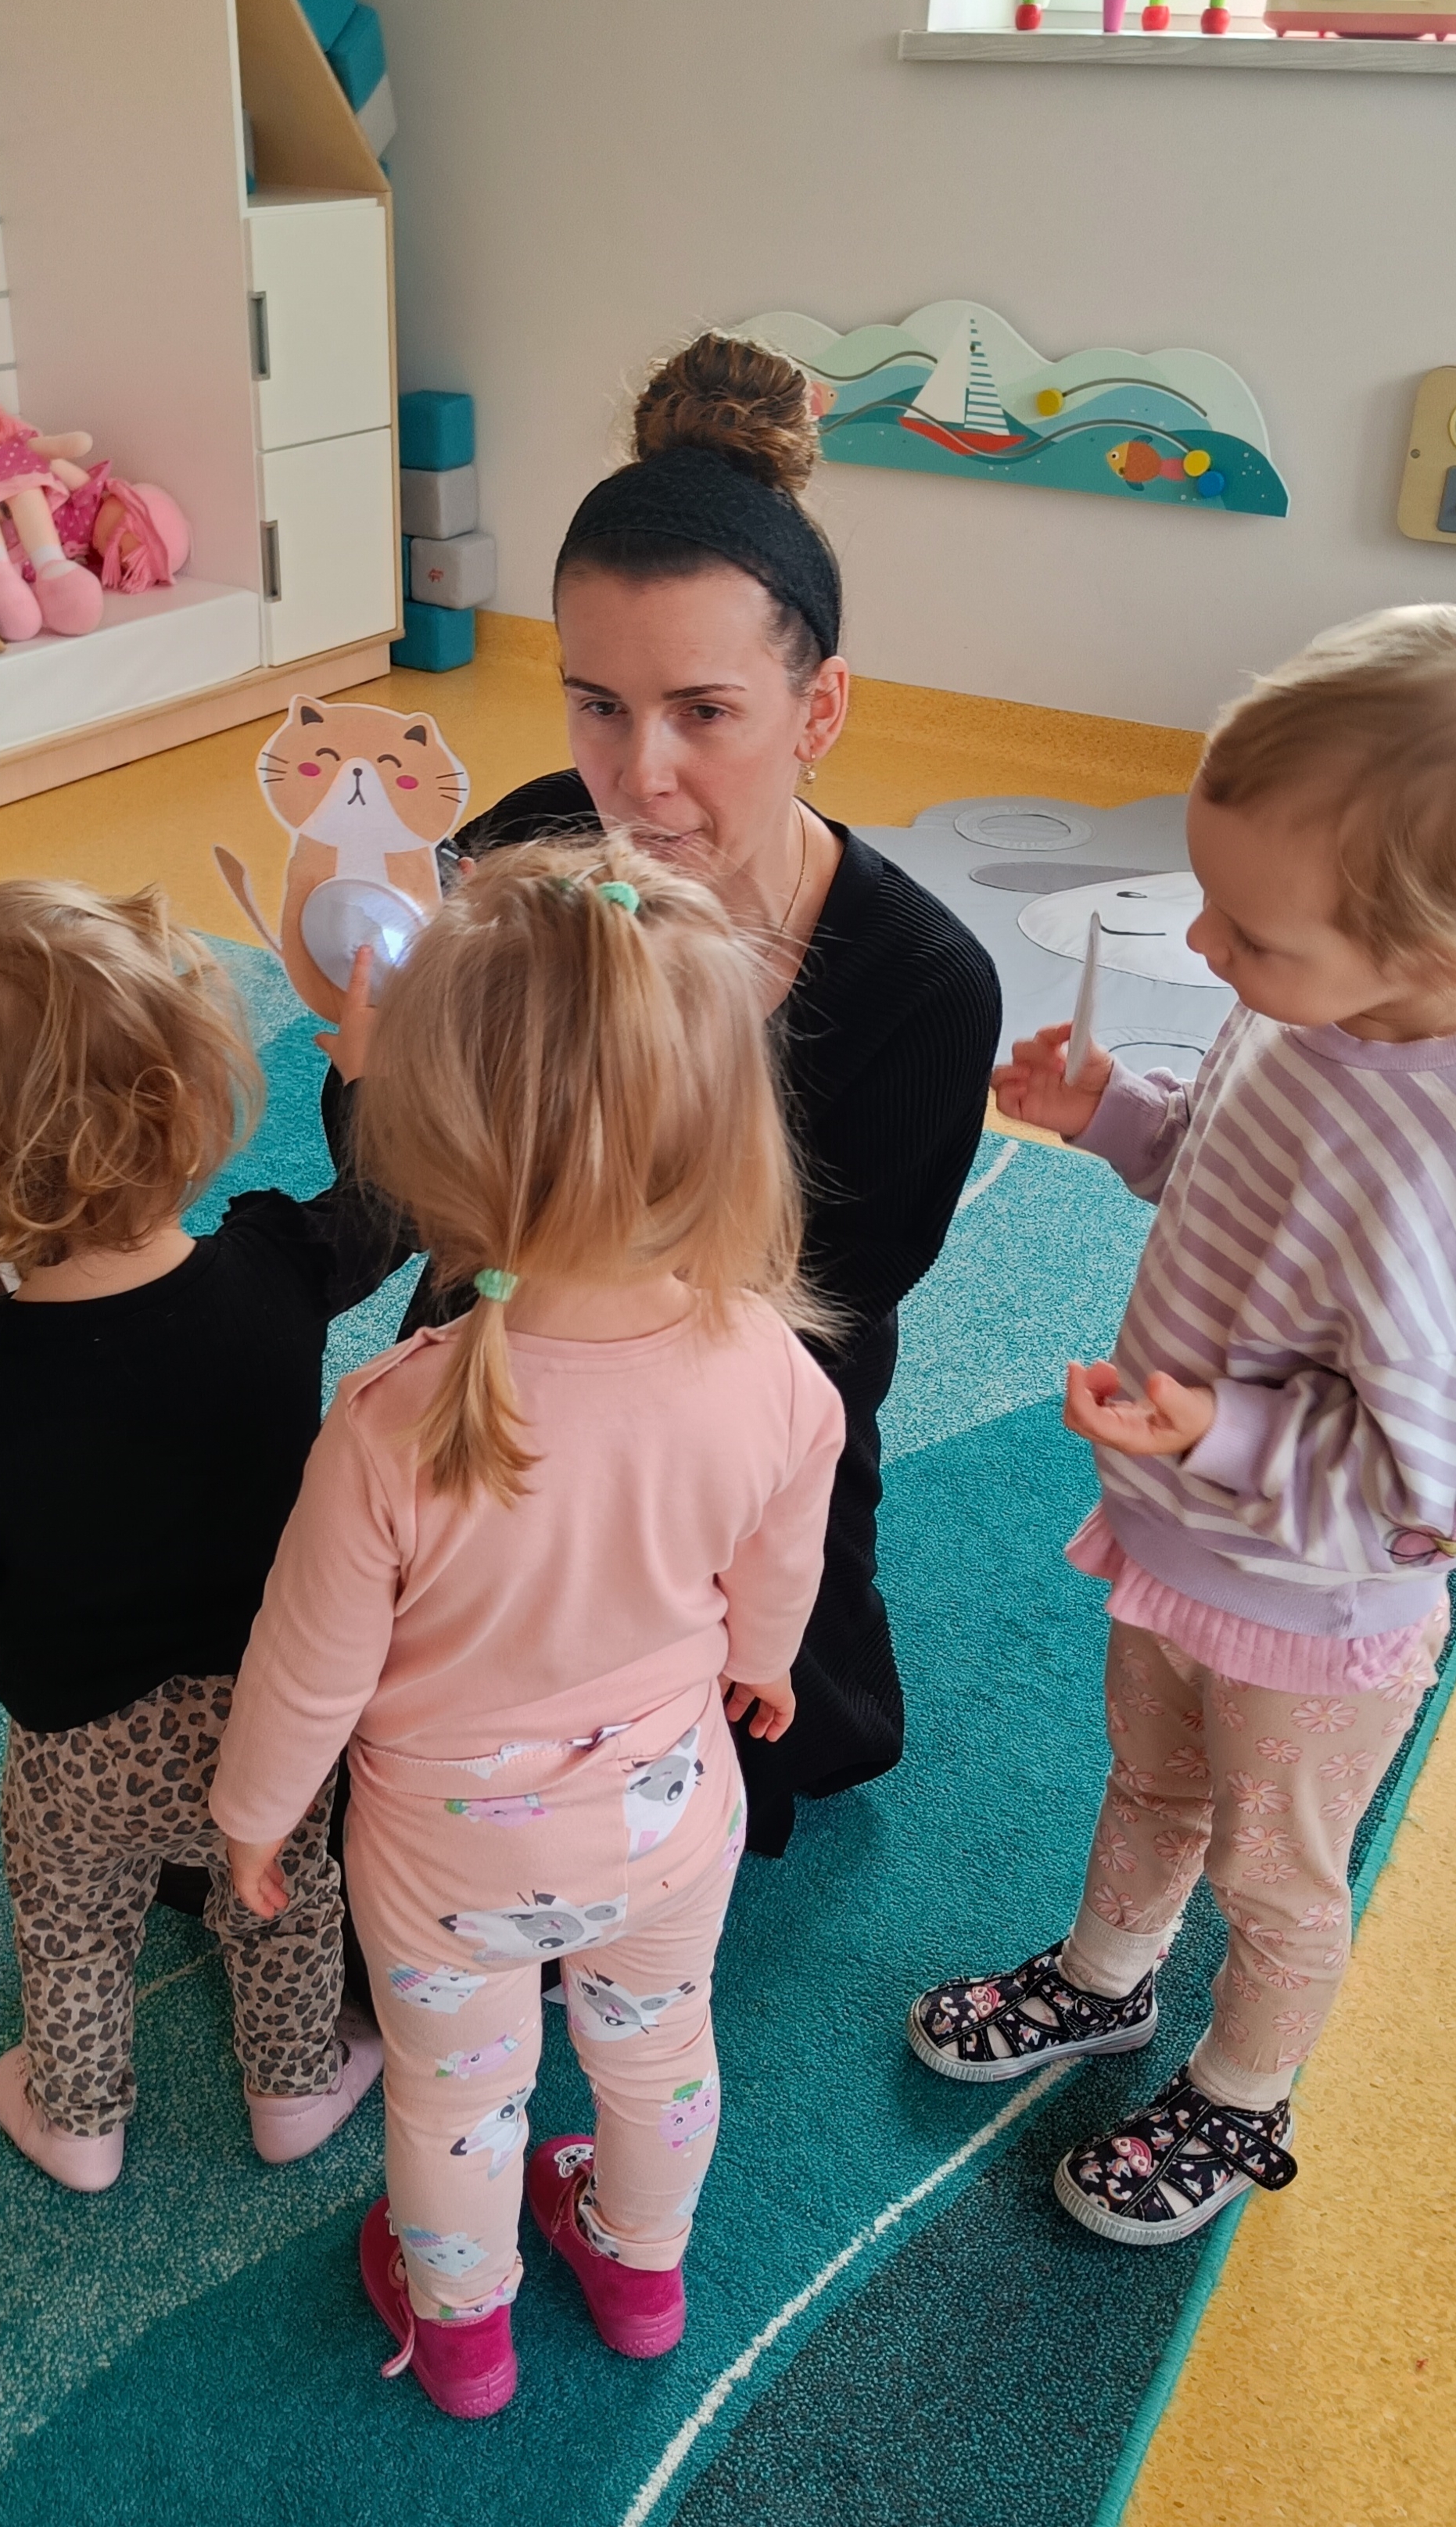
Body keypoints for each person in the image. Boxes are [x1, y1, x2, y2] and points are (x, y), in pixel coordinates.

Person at [906, 607, 1456, 2243]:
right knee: (1151, 1786)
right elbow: (1228, 1178)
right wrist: (1115, 1116)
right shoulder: (1303, 1006)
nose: (1205, 943)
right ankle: (1105, 1981)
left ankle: (1241, 2093)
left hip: (1316, 1606)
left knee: (1274, 1879)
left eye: (1253, 929)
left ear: (1436, 944)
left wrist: (1222, 1432)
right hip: (1182, 1532)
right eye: (1207, 895)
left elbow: (1451, 1488)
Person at [329, 332, 1000, 1858]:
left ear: (819, 710)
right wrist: (381, 1080)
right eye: (597, 705)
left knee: (781, 1735)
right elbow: (399, 1200)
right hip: (503, 1352)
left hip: (738, 1410)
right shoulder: (517, 861)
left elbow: (830, 1305)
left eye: (705, 711)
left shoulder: (921, 984)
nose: (638, 777)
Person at [213, 839, 844, 2419]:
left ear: (431, 1145)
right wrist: (765, 1664)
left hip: (447, 1858)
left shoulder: (393, 1420)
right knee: (660, 2050)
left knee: (457, 2096)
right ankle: (641, 2272)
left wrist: (252, 1816)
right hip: (671, 1810)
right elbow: (783, 1560)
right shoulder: (774, 1366)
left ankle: (466, 2335)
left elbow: (309, 1663)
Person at [0, 880, 395, 2193]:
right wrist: (364, 1082)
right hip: (275, 1716)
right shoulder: (273, 1265)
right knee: (283, 1895)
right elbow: (384, 1208)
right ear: (192, 1104)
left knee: (73, 1921)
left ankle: (78, 2122)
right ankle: (295, 2091)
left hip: (79, 1743)